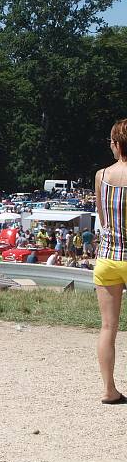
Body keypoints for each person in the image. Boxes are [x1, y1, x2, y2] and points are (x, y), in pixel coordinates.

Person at [93, 118, 127, 404]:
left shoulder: (101, 175)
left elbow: (103, 220)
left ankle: (109, 390)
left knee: (108, 327)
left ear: (117, 145)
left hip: (108, 256)